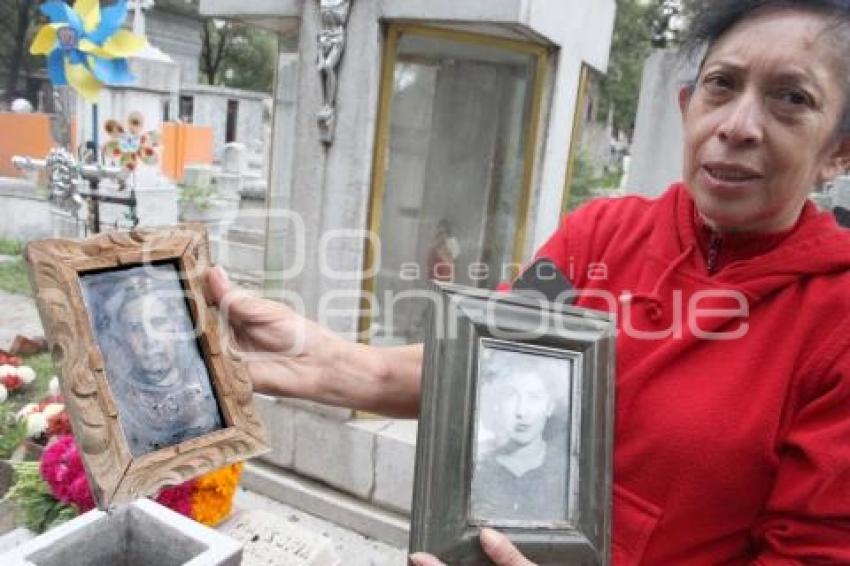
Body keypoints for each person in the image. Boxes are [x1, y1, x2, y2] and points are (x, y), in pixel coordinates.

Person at [206, 1, 850, 563]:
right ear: (688, 106)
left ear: (839, 151)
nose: (738, 125)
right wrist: (311, 357)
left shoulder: (835, 315)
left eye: (792, 98)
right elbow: (482, 369)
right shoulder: (602, 236)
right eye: (721, 85)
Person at [96, 274, 222, 457]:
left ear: (176, 326)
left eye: (158, 323)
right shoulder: (117, 399)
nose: (149, 339)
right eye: (135, 328)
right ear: (123, 338)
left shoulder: (206, 376)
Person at [471, 362, 568, 524]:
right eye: (511, 396)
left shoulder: (566, 469)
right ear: (498, 404)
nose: (521, 411)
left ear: (549, 406)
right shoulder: (479, 466)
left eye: (534, 397)